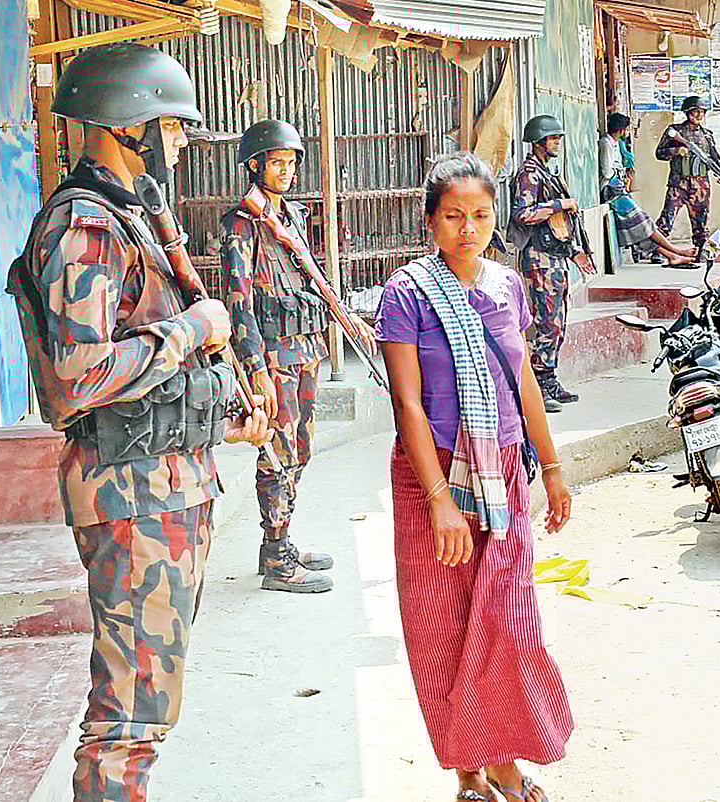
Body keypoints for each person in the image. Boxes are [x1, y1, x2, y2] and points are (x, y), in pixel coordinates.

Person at [5, 43, 273, 802]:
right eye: (176, 127)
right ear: (133, 126)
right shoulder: (85, 228)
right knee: (130, 715)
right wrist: (195, 329)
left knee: (147, 706)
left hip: (162, 485)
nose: (183, 143)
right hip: (133, 502)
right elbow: (76, 380)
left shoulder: (131, 216)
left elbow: (143, 383)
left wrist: (220, 412)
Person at [375, 151, 575, 802]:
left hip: (503, 478)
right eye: (454, 216)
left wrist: (552, 468)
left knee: (509, 621)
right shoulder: (407, 291)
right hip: (429, 480)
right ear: (431, 221)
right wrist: (438, 501)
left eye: (482, 215)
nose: (469, 228)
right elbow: (406, 401)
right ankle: (469, 770)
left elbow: (523, 382)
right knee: (440, 626)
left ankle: (507, 762)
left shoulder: (508, 286)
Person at [219, 120, 376, 593]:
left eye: (291, 163)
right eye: (277, 162)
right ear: (254, 165)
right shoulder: (241, 225)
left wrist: (346, 323)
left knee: (301, 452)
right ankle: (277, 559)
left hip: (304, 349)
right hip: (273, 359)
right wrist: (255, 369)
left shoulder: (288, 218)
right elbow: (238, 302)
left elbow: (310, 284)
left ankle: (281, 542)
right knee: (276, 455)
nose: (285, 171)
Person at [508, 114, 596, 413]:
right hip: (538, 259)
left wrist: (576, 251)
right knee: (546, 323)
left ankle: (548, 378)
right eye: (553, 138)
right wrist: (559, 204)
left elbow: (560, 223)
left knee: (557, 323)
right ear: (539, 142)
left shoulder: (547, 173)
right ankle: (535, 385)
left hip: (555, 257)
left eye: (558, 138)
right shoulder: (529, 175)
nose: (557, 142)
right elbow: (522, 214)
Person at [599, 112, 699, 266]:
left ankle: (672, 255)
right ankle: (675, 251)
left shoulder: (615, 144)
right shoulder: (606, 143)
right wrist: (619, 173)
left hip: (618, 191)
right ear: (621, 130)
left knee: (640, 228)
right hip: (611, 192)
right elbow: (607, 172)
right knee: (643, 223)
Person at [655, 95, 720, 262]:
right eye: (695, 111)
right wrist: (676, 151)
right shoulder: (675, 131)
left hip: (700, 185)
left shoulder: (707, 135)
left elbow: (715, 158)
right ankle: (658, 251)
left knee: (701, 222)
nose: (699, 115)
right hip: (678, 183)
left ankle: (700, 252)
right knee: (666, 219)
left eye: (701, 112)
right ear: (687, 113)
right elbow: (659, 153)